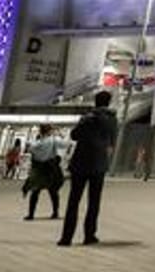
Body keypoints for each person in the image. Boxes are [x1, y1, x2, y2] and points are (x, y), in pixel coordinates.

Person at [58, 90, 118, 247]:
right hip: (98, 164)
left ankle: (66, 237)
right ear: (108, 102)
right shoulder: (112, 120)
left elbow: (74, 135)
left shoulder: (87, 117)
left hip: (80, 163)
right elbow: (113, 140)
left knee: (73, 201)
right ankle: (89, 235)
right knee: (94, 201)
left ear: (95, 101)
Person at [24, 124, 65, 221]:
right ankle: (55, 212)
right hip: (50, 169)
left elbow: (31, 151)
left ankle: (31, 214)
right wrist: (60, 135)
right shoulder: (54, 140)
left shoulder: (37, 142)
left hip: (39, 169)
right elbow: (64, 146)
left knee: (35, 192)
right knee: (53, 192)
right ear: (49, 131)